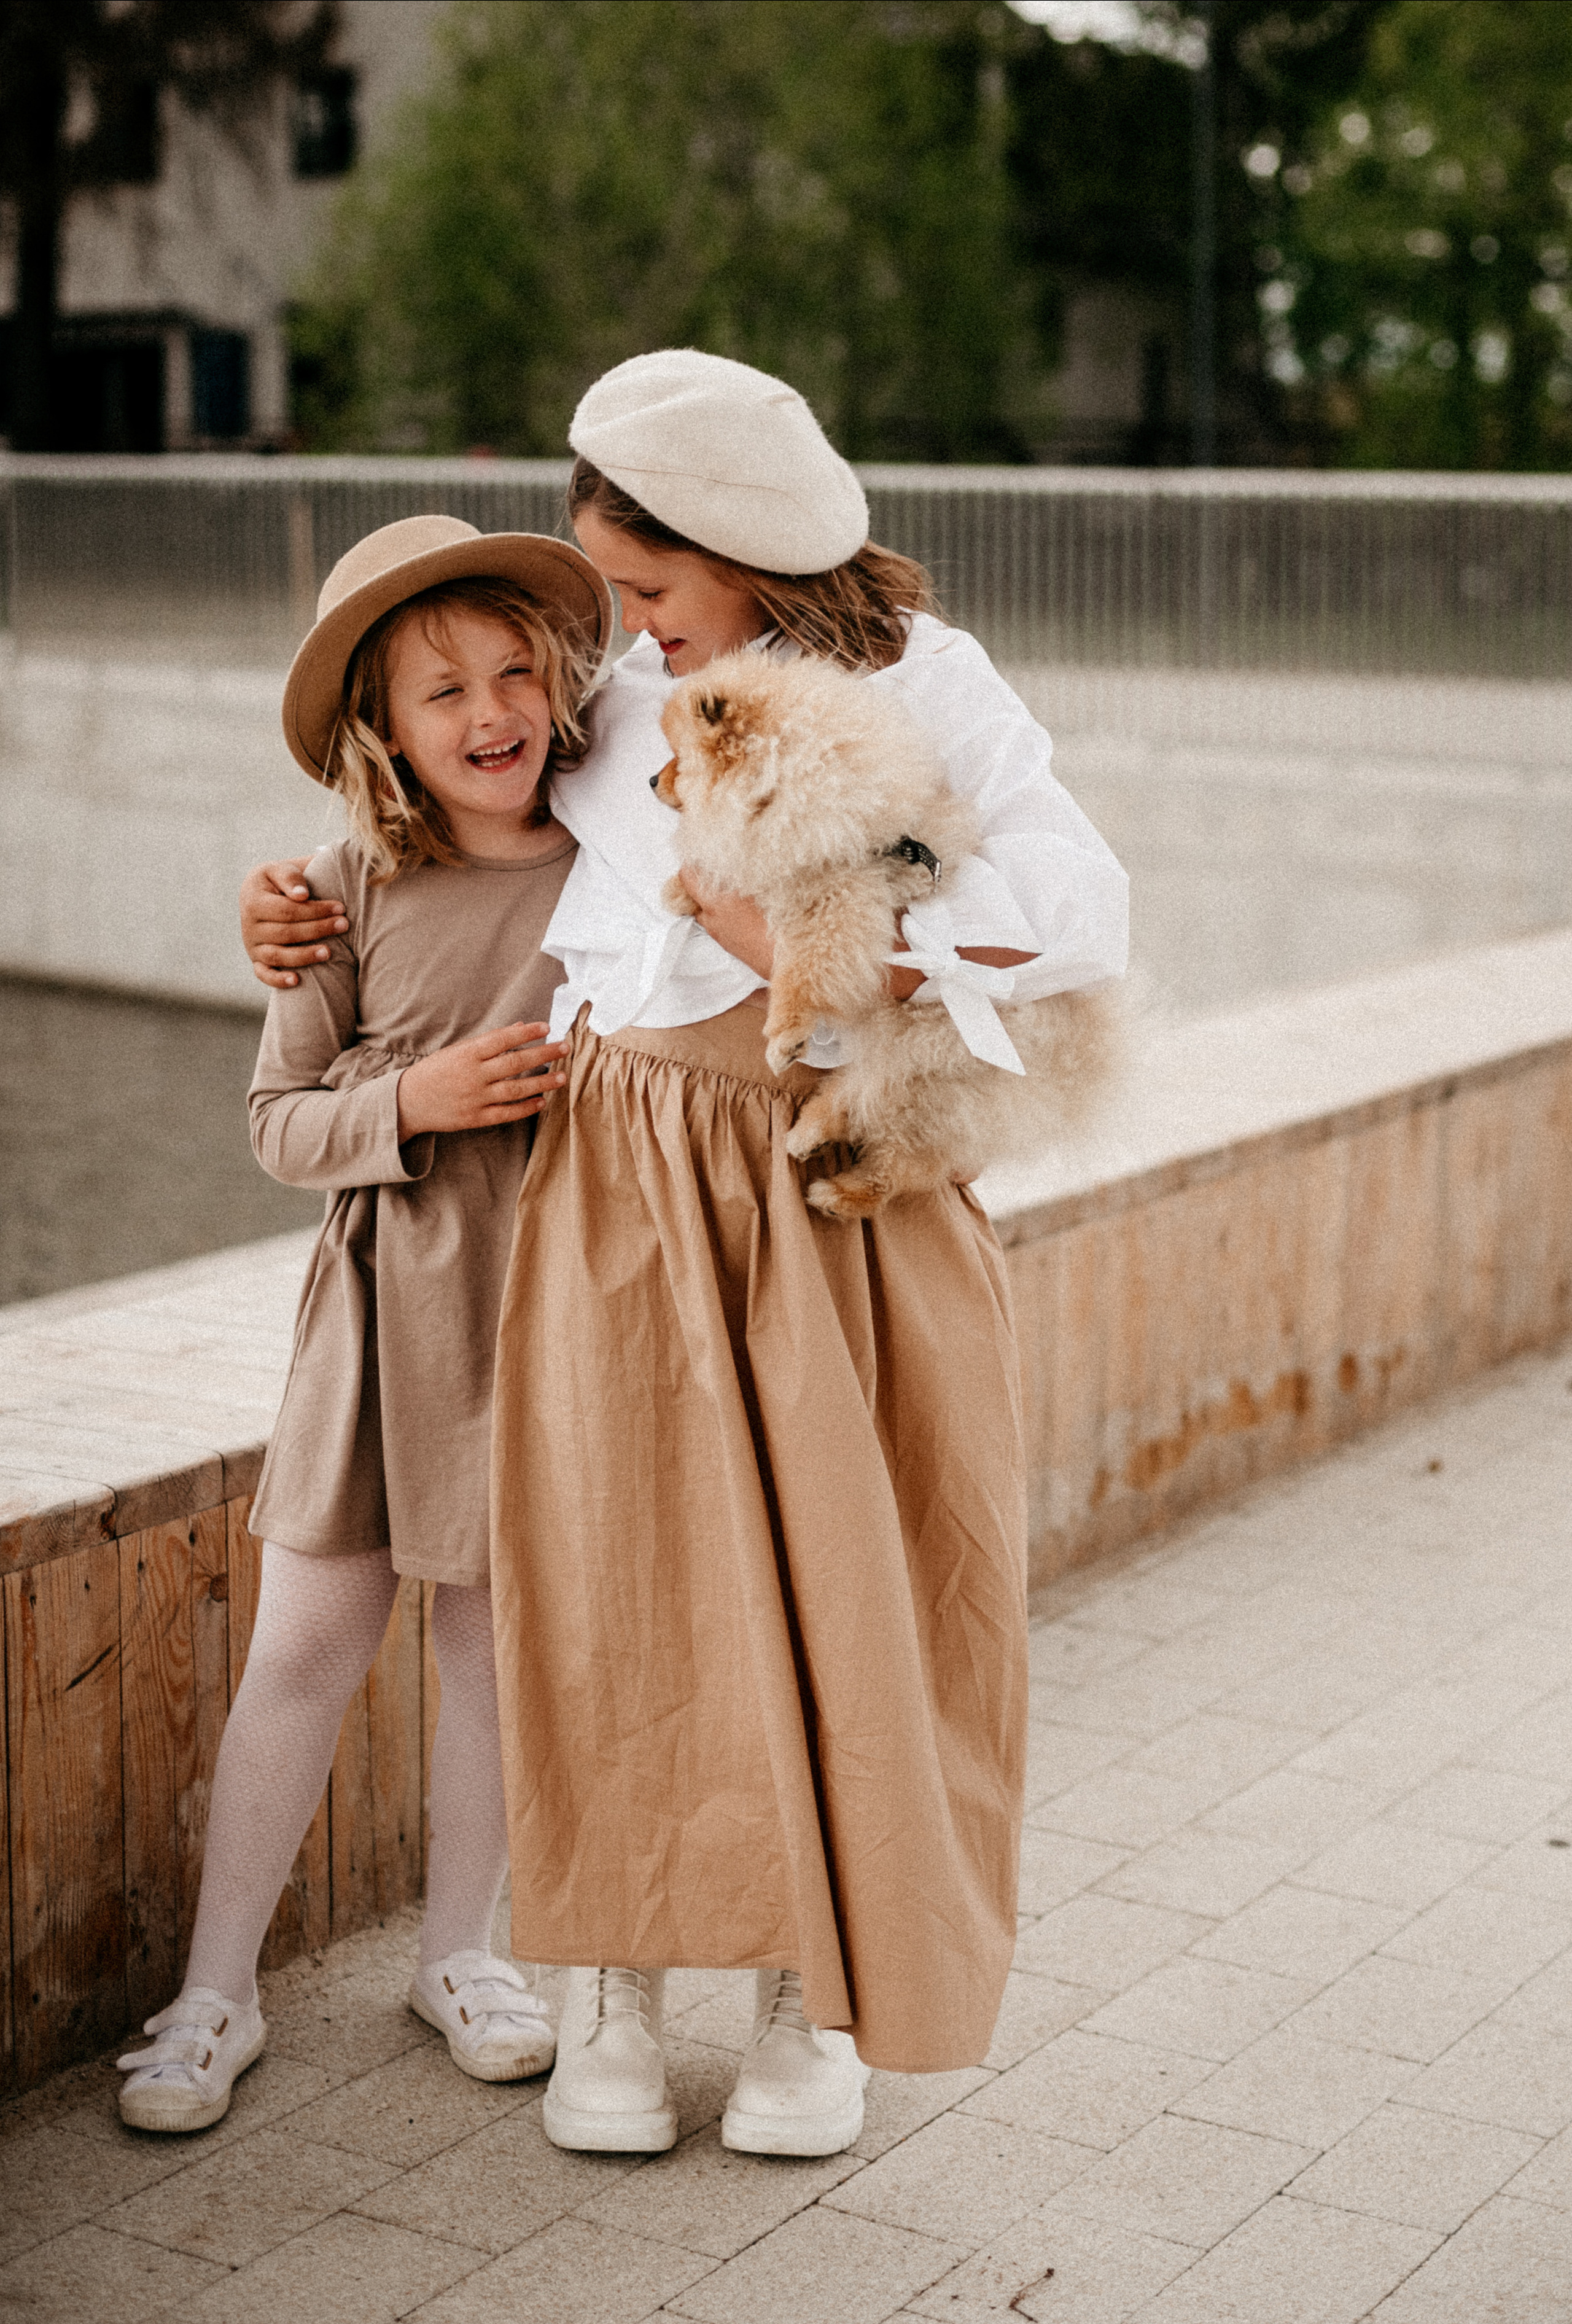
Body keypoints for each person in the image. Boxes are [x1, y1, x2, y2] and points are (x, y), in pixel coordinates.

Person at [240, 350, 1128, 2163]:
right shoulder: (617, 693)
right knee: (612, 1585)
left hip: (823, 1178)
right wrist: (289, 903)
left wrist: (835, 939)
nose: (624, 625)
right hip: (618, 1170)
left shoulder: (927, 682)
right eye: (613, 591)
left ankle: (814, 2001)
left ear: (744, 546)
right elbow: (445, 802)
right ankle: (612, 1987)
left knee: (836, 1582)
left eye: (649, 584)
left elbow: (1077, 914)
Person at [118, 515, 611, 2133]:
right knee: (308, 1646)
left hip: (544, 1308)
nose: (492, 712)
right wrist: (418, 1098)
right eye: (442, 691)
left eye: (514, 672)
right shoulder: (336, 892)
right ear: (382, 729)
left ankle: (460, 1955)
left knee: (491, 1651)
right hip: (388, 1312)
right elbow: (277, 1124)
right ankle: (216, 1991)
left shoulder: (618, 858)